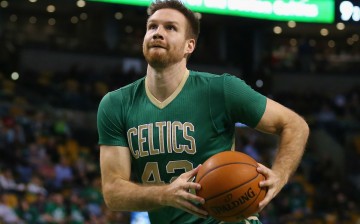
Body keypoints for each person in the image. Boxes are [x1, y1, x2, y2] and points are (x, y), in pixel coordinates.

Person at [96, 0, 310, 223]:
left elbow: (295, 125)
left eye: (170, 27)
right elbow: (113, 193)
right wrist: (165, 195)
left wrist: (279, 176)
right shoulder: (115, 104)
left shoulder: (222, 90)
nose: (158, 33)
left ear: (190, 45)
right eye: (152, 26)